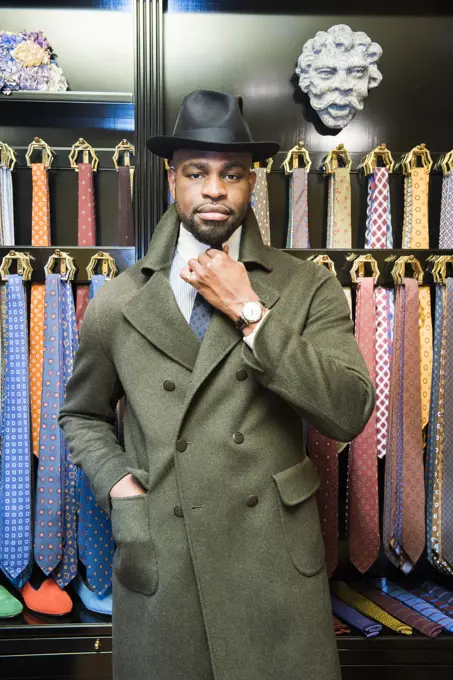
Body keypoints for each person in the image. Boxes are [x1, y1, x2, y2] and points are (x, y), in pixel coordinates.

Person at [59, 89, 375, 680]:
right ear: (171, 178)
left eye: (231, 174)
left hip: (272, 568)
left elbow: (349, 410)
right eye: (196, 172)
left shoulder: (305, 288)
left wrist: (252, 312)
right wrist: (122, 487)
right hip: (165, 562)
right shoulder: (121, 299)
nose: (213, 190)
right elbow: (82, 414)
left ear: (251, 182)